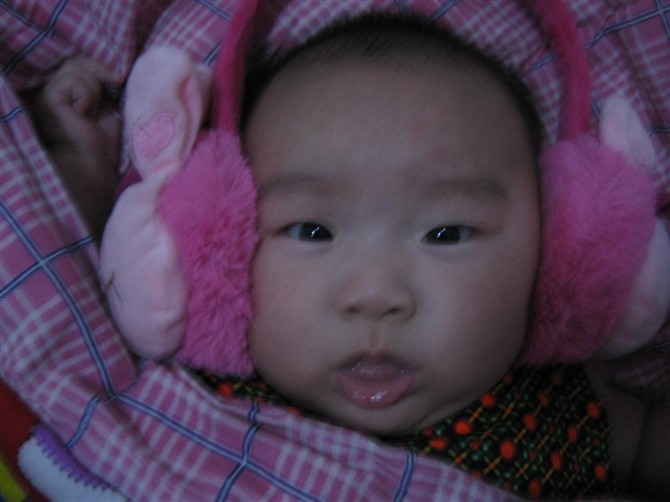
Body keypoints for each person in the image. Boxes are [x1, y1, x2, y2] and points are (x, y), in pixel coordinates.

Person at [32, 13, 668, 501]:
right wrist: (78, 159)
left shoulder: (561, 412)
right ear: (213, 251)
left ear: (556, 258)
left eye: (447, 234)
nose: (375, 294)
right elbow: (68, 289)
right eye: (311, 231)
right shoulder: (203, 390)